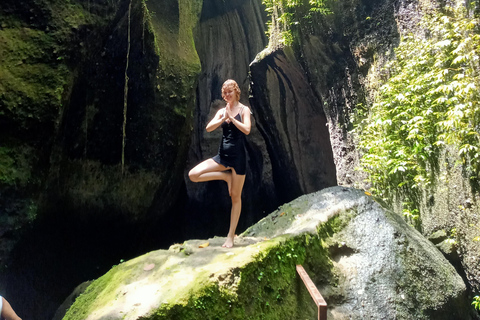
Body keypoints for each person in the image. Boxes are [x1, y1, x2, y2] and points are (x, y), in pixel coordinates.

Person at [189, 79, 251, 248]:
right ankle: (225, 176)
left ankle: (230, 236)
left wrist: (233, 118)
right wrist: (223, 117)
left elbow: (247, 129)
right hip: (222, 157)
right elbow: (209, 128)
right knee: (193, 175)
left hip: (238, 159)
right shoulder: (222, 111)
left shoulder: (244, 110)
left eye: (229, 91)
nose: (227, 95)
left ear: (236, 91)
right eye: (224, 93)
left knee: (235, 197)